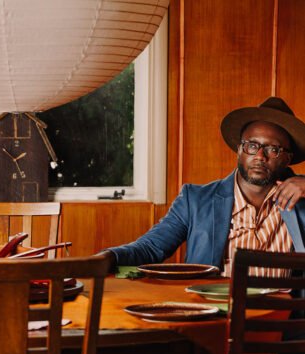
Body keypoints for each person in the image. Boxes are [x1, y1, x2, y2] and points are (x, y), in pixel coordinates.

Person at [103, 96, 305, 274]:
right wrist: (106, 257)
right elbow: (150, 248)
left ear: (287, 159)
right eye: (252, 145)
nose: (260, 156)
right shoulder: (195, 200)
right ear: (239, 150)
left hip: (282, 306)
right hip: (213, 305)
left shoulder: (302, 201)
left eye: (273, 149)